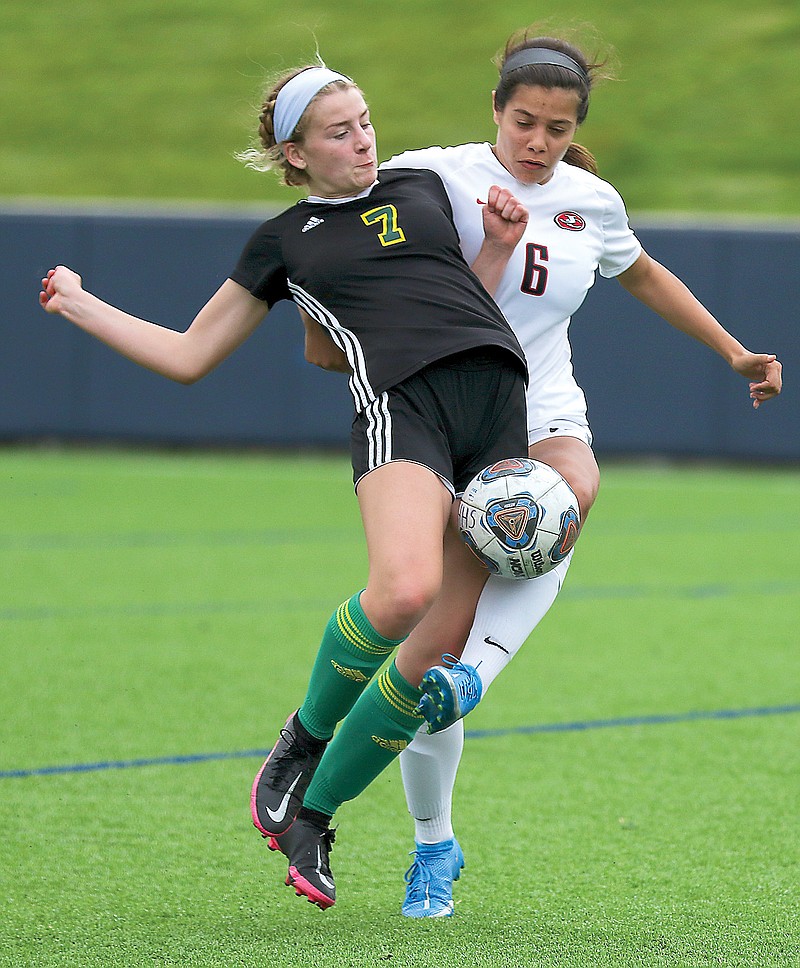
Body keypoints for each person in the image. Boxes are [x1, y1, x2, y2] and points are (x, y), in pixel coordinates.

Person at [303, 27, 782, 917]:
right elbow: (346, 246)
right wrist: (333, 332)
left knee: (565, 498)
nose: (538, 142)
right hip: (443, 420)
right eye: (524, 122)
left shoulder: (590, 201)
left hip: (543, 413)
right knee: (423, 659)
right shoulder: (432, 176)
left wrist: (731, 350)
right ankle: (432, 842)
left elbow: (644, 274)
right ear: (495, 110)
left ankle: (477, 670)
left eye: (557, 130)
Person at [38, 64, 536, 912]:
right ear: (293, 154)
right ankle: (299, 741)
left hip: (497, 406)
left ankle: (313, 816)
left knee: (430, 662)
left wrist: (491, 246)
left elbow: (452, 299)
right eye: (339, 132)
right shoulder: (285, 238)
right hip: (402, 409)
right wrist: (81, 303)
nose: (363, 139)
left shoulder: (420, 184)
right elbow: (190, 356)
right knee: (405, 591)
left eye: (366, 120)